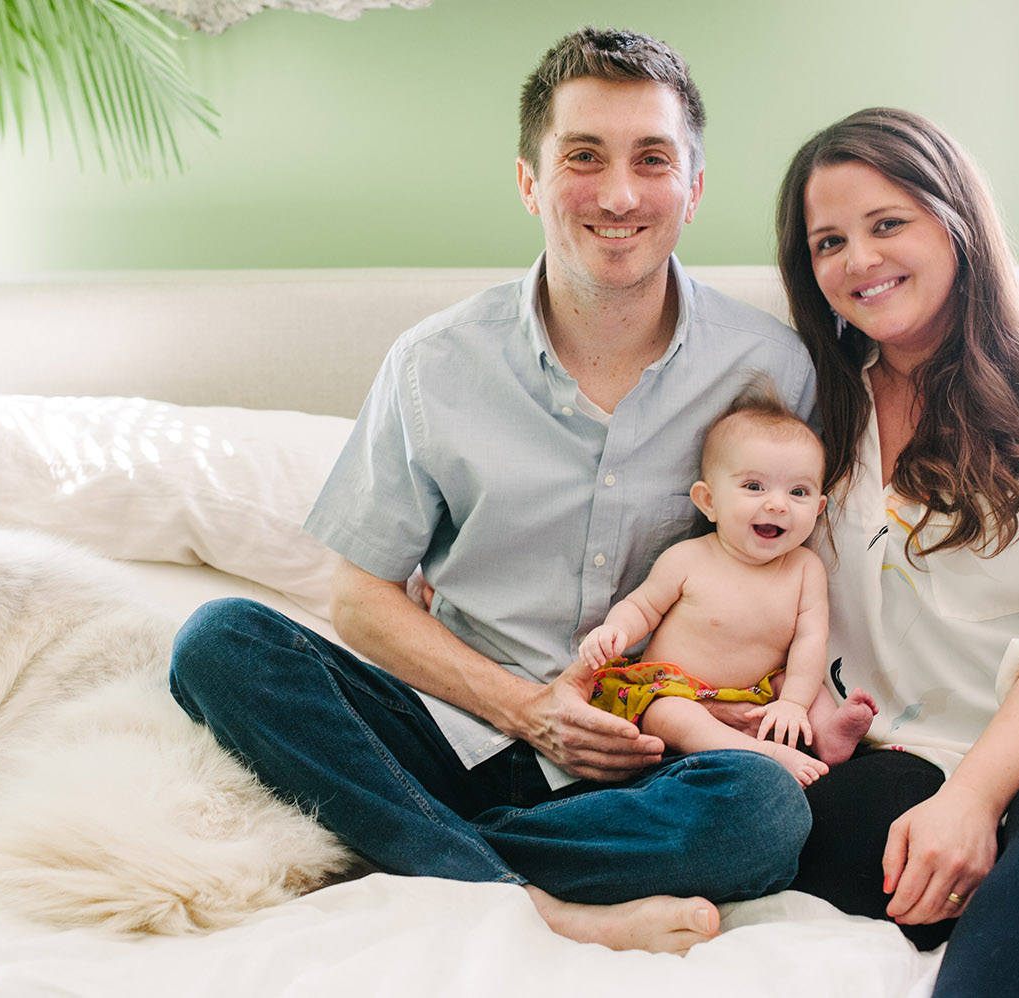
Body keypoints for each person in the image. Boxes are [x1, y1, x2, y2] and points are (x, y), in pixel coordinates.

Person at [169, 26, 817, 955]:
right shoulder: (435, 364)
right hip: (448, 738)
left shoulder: (770, 372)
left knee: (762, 816)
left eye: (653, 159)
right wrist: (525, 708)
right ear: (529, 182)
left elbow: (803, 576)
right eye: (583, 157)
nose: (621, 193)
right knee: (218, 640)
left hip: (654, 758)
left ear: (694, 186)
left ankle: (425, 858)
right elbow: (359, 597)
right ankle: (540, 900)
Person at [774, 106, 1019, 998]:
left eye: (887, 223)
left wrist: (974, 797)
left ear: (957, 221)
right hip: (900, 759)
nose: (858, 261)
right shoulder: (816, 412)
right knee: (762, 820)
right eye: (828, 243)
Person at [578, 384, 877, 786]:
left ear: (819, 508)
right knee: (671, 715)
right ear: (708, 501)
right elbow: (642, 607)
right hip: (676, 691)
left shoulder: (805, 568)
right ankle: (758, 750)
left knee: (805, 685)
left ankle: (829, 735)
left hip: (758, 691)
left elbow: (810, 642)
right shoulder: (688, 558)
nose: (777, 504)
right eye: (754, 487)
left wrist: (791, 703)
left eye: (798, 492)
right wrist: (615, 630)